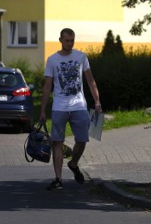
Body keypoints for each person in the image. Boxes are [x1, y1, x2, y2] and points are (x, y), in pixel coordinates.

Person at [40, 28, 102, 191]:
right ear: (60, 40)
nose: (69, 43)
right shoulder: (52, 60)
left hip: (78, 105)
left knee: (82, 140)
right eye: (67, 40)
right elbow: (47, 86)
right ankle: (58, 179)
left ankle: (73, 164)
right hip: (59, 107)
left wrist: (97, 102)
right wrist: (43, 110)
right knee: (57, 142)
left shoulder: (81, 57)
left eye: (72, 40)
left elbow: (90, 81)